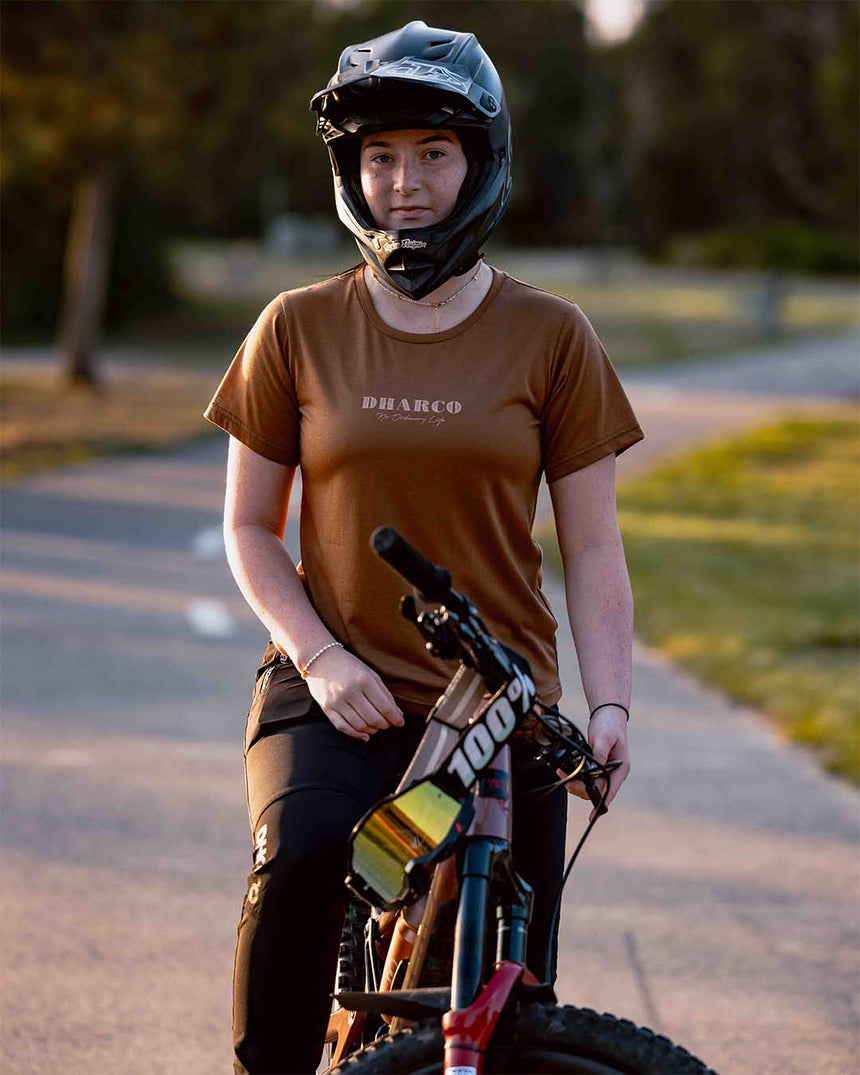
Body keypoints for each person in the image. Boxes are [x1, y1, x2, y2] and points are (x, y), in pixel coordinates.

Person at [204, 20, 643, 1075]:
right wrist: (320, 657)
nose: (403, 181)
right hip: (335, 692)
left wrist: (610, 703)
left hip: (498, 708)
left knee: (500, 975)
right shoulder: (295, 327)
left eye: (431, 154)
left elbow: (590, 548)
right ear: (352, 171)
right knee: (300, 858)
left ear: (478, 163)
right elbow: (248, 529)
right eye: (380, 155)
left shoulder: (552, 337)